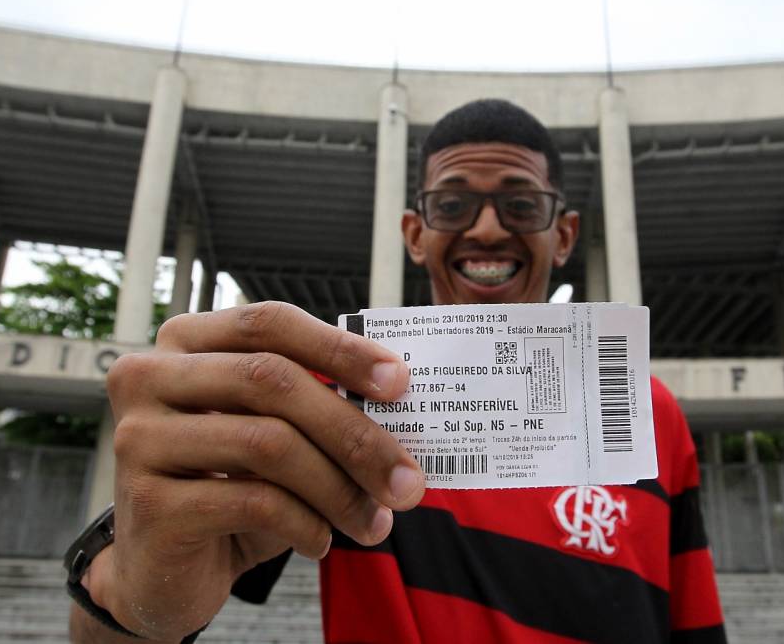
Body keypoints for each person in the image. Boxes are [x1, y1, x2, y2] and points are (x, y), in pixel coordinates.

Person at [69, 99, 726, 643]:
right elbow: (115, 625)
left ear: (564, 234)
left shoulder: (649, 411)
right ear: (415, 233)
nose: (488, 229)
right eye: (453, 205)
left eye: (522, 205)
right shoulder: (327, 408)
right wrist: (142, 599)